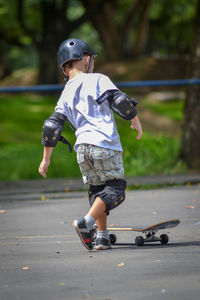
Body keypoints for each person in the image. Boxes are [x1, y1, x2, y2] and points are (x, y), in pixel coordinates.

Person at [38, 38, 143, 251]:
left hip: (82, 148)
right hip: (104, 144)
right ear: (86, 59)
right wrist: (136, 121)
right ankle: (85, 222)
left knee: (98, 190)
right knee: (115, 189)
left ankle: (102, 237)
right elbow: (120, 102)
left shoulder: (66, 92)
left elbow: (52, 126)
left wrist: (45, 158)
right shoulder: (98, 79)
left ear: (64, 68)